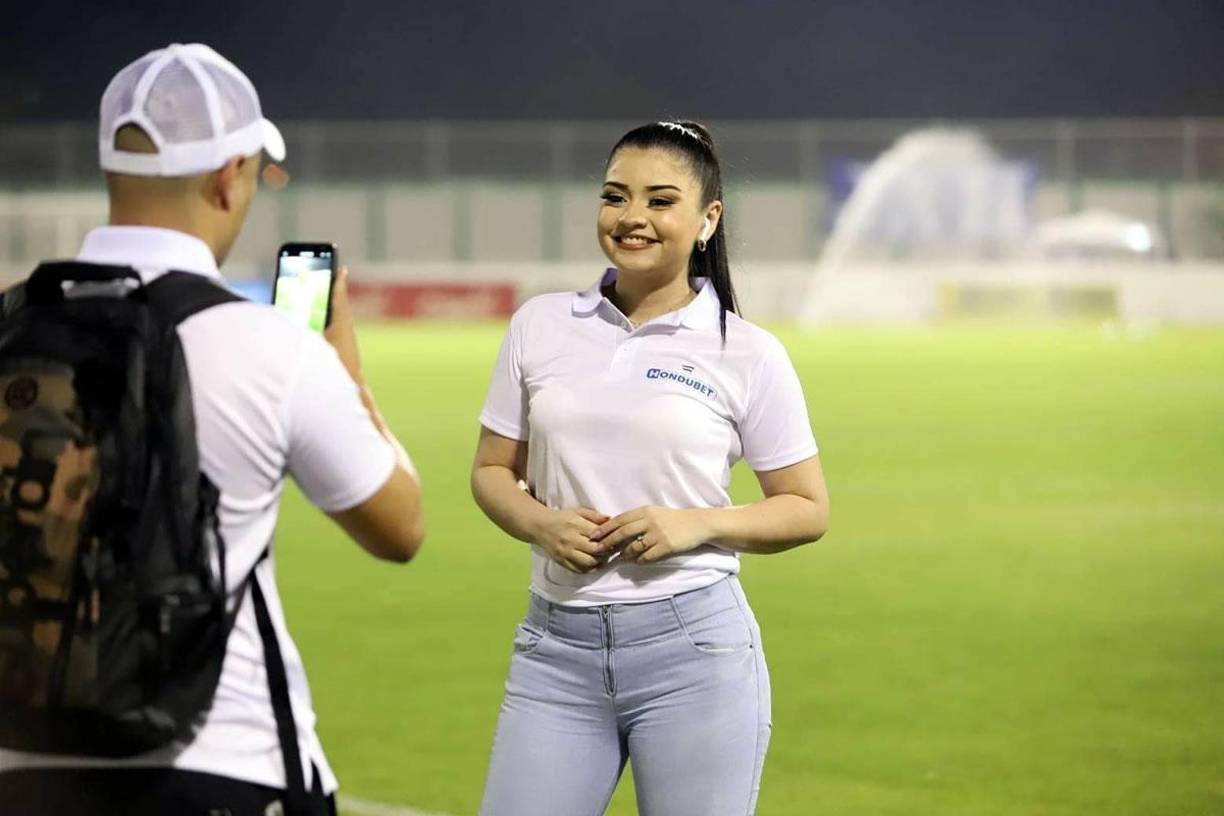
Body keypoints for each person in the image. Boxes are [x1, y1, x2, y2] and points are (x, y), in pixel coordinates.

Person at [0, 43, 423, 815]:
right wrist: (346, 368)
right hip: (225, 766)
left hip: (23, 767)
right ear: (231, 176)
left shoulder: (10, 324)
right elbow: (399, 527)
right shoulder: (272, 347)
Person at [472, 120, 829, 816]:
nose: (633, 217)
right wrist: (542, 525)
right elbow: (490, 471)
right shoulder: (541, 324)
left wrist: (694, 525)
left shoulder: (746, 351)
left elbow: (806, 506)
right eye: (616, 196)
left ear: (707, 220)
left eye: (661, 200)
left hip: (695, 653)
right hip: (555, 647)